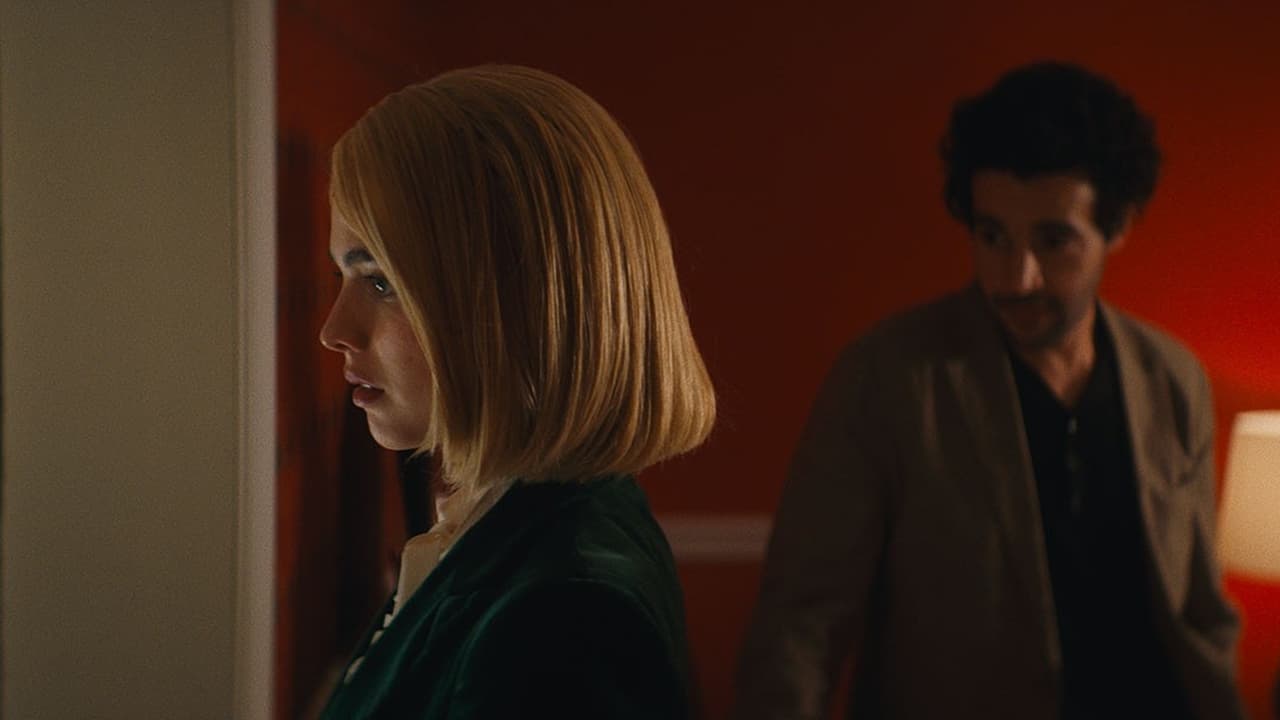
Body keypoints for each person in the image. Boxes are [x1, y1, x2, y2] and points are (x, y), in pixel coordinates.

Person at [733, 62, 1243, 719]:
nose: (1017, 277)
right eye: (993, 236)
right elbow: (800, 629)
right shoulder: (887, 378)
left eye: (1053, 240)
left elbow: (1198, 612)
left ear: (1115, 230)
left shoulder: (1172, 379)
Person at [317, 64, 716, 719]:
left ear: (518, 303)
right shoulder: (525, 521)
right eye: (343, 276)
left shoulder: (559, 621)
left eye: (381, 282)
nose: (334, 331)